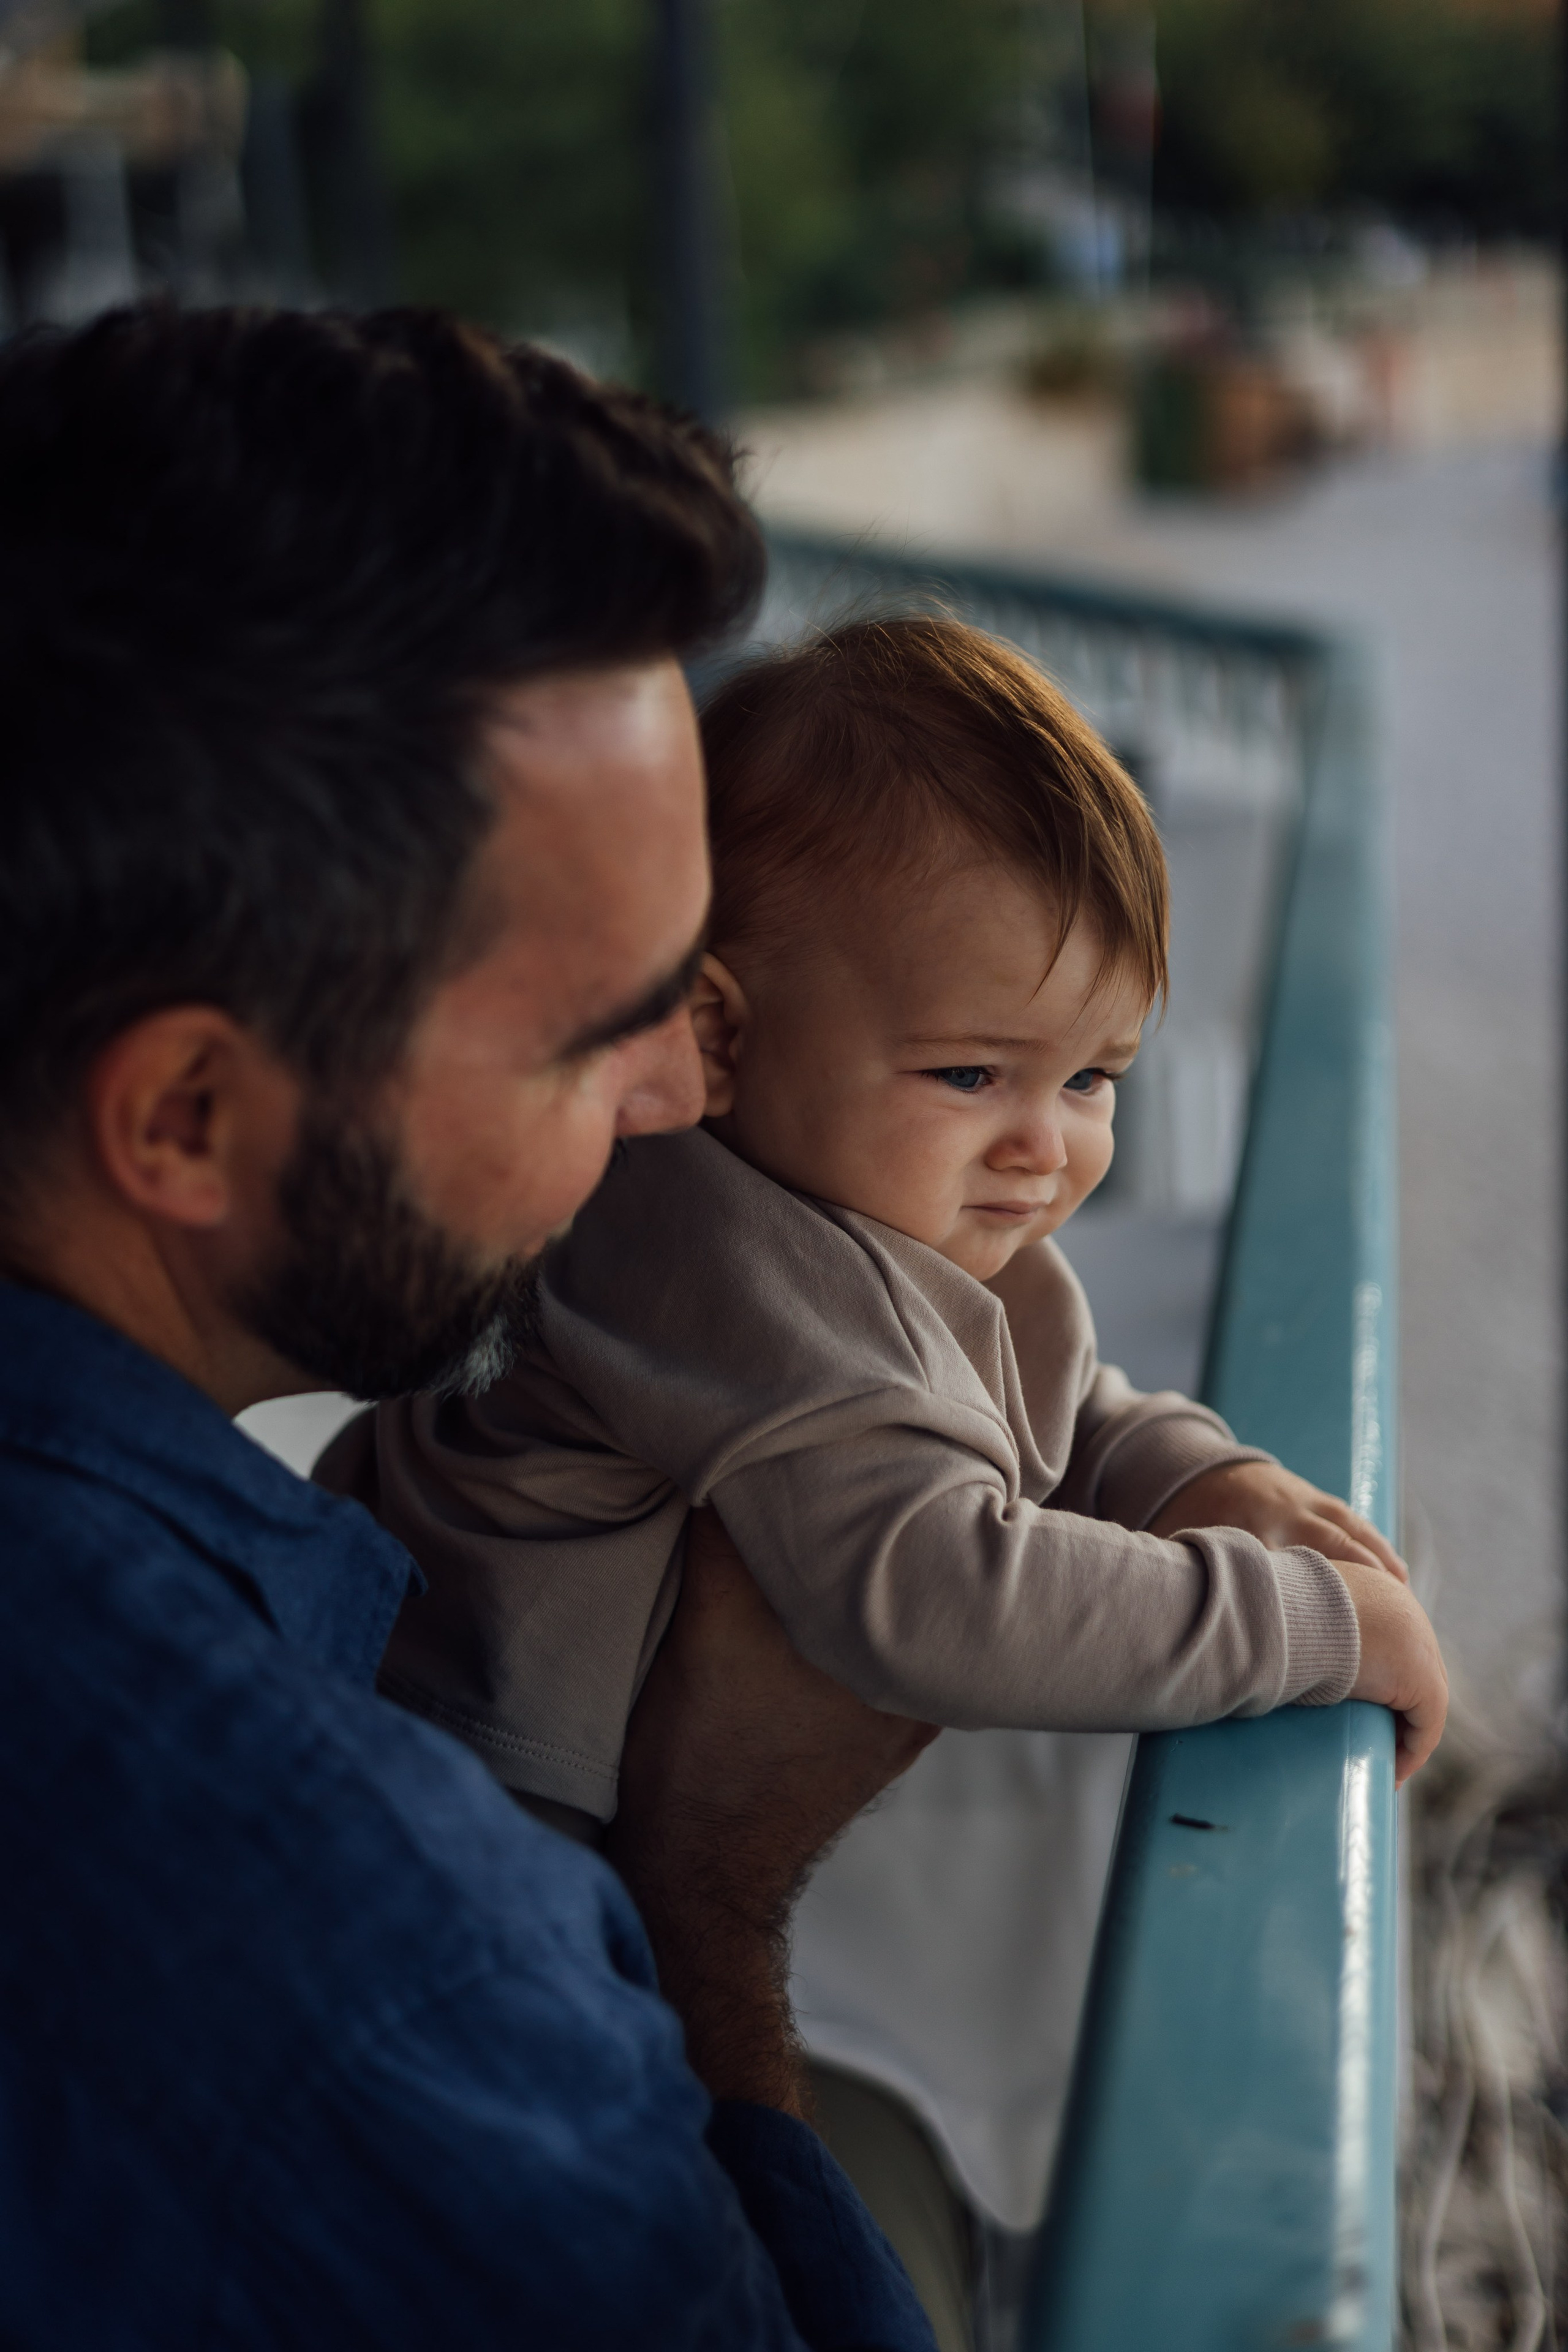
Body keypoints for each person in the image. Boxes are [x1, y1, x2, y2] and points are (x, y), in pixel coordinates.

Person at [0, 303, 944, 2349]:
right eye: (602, 1036)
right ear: (184, 1116)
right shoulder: (372, 1962)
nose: (688, 1097)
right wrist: (708, 1902)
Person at [333, 617, 1447, 1853]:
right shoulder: (717, 1255)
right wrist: (1307, 1628)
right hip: (468, 1804)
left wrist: (1193, 1477)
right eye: (970, 1074)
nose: (1044, 1147)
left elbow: (1047, 1398)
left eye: (1090, 1079)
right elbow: (938, 1598)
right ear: (719, 1037)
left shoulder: (866, 1196)